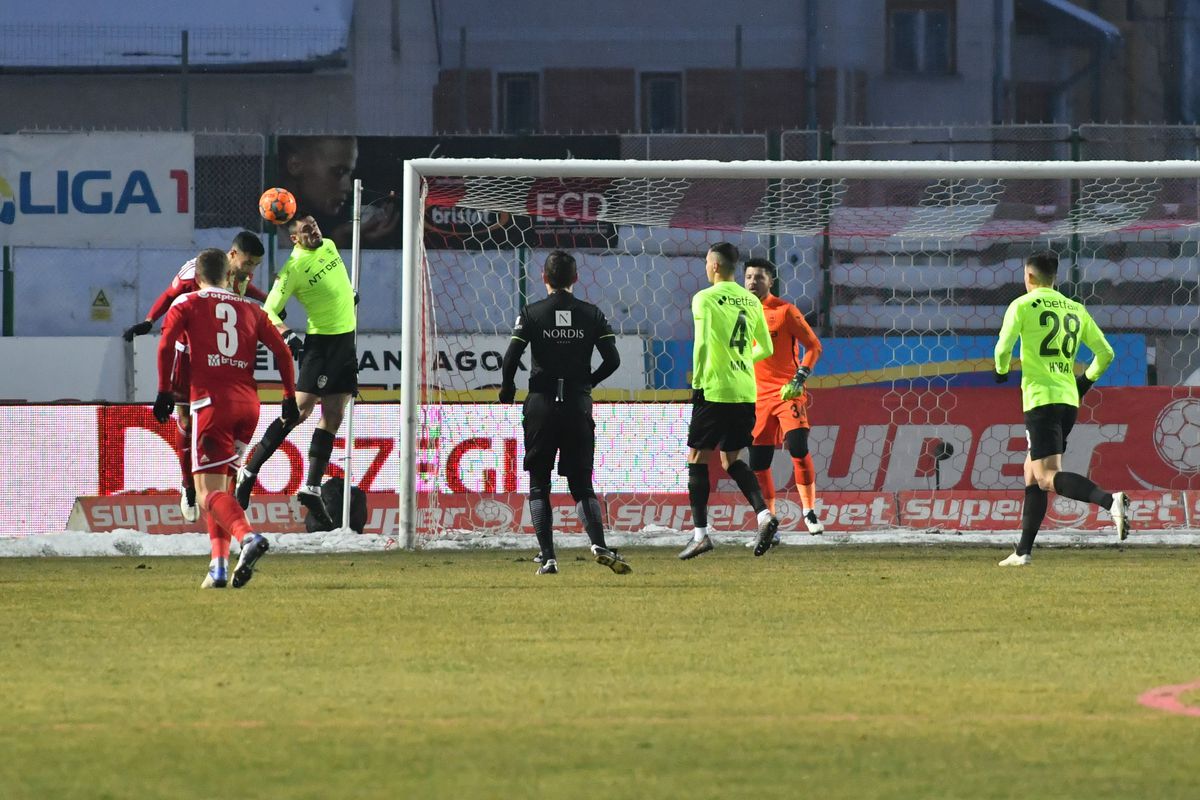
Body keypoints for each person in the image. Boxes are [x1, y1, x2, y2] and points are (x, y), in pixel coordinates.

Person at [153, 248, 298, 588]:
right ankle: (217, 567)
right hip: (248, 406)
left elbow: (165, 345)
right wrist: (289, 397)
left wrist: (163, 391)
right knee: (222, 491)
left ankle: (248, 538)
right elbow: (282, 351)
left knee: (206, 493)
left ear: (197, 276)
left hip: (212, 404)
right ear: (229, 275)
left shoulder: (187, 302)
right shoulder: (252, 308)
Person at [497, 250, 629, 576]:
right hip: (576, 404)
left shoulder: (531, 313)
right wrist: (587, 383)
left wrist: (507, 388)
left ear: (544, 277)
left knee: (539, 484)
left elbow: (511, 357)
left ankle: (548, 557)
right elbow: (613, 360)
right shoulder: (592, 314)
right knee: (582, 484)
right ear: (575, 278)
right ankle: (598, 543)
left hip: (541, 405)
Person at [993, 250, 1129, 566]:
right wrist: (1084, 382)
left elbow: (1003, 348)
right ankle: (1023, 551)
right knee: (1031, 471)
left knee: (1045, 476)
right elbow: (1106, 353)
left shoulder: (1022, 305)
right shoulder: (1075, 308)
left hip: (1041, 399)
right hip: (1068, 400)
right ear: (1054, 278)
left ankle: (1110, 501)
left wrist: (1000, 371)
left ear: (1029, 276)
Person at [123, 231, 267, 523]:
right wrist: (150, 320)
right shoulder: (195, 271)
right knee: (187, 420)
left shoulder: (241, 276)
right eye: (248, 263)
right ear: (233, 255)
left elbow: (246, 290)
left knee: (224, 418)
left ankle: (224, 484)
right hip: (188, 355)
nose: (250, 270)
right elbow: (169, 294)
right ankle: (188, 485)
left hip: (219, 357)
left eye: (255, 265)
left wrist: (269, 300)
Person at [234, 215, 358, 531]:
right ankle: (248, 472)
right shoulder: (293, 269)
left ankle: (312, 487)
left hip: (346, 342)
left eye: (314, 225)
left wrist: (348, 295)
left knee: (334, 414)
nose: (314, 231)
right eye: (306, 230)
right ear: (294, 239)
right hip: (322, 345)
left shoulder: (329, 245)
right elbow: (268, 310)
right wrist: (288, 334)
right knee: (299, 412)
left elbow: (336, 286)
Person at [679, 242, 778, 560]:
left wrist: (697, 381)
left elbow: (702, 343)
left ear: (715, 266)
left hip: (715, 389)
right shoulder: (751, 300)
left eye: (707, 262)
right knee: (731, 460)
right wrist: (742, 361)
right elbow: (766, 348)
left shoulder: (704, 298)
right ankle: (764, 515)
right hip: (745, 391)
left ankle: (700, 536)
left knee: (697, 458)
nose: (706, 267)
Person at [743, 257, 826, 539]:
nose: (753, 282)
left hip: (786, 391)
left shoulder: (785, 311)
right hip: (755, 397)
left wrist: (799, 378)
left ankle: (809, 511)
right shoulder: (739, 314)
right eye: (749, 277)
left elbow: (814, 346)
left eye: (759, 277)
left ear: (771, 281)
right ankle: (769, 526)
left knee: (798, 447)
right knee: (759, 462)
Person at [278, 135, 398, 249]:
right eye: (338, 172)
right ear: (295, 165)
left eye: (349, 174)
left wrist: (340, 239)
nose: (348, 187)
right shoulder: (272, 238)